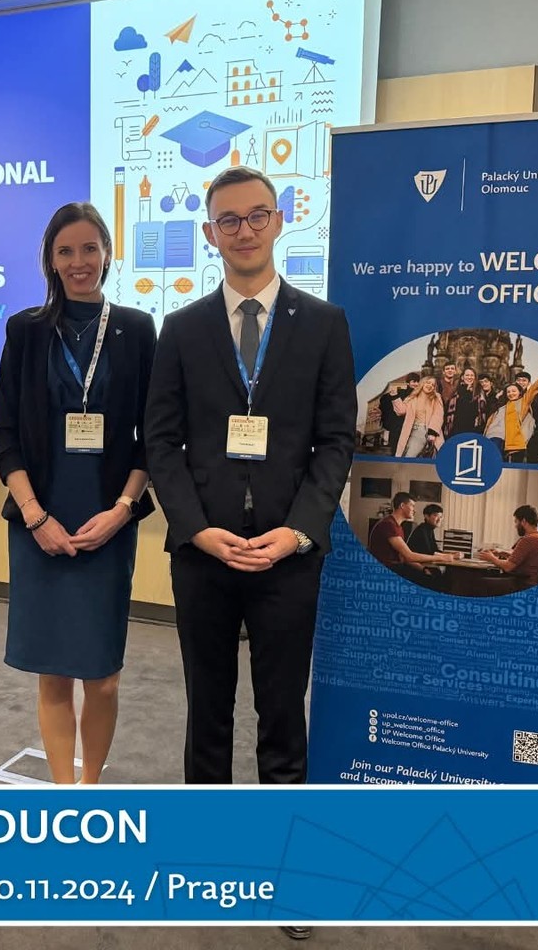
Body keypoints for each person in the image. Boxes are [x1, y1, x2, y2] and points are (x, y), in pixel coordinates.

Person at [145, 166, 356, 789]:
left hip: (286, 553)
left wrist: (299, 532)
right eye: (229, 220)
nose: (245, 230)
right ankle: (210, 832)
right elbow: (161, 441)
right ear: (210, 233)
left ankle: (278, 831)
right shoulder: (182, 328)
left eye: (257, 215)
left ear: (279, 221)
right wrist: (193, 528)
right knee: (206, 713)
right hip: (204, 552)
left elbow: (336, 440)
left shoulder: (323, 323)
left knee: (283, 714)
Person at [0, 202, 157, 785]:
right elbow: (4, 433)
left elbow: (153, 436)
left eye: (89, 248)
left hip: (107, 521)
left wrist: (123, 511)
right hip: (41, 520)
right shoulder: (27, 330)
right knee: (53, 672)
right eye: (65, 251)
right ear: (50, 260)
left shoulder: (137, 329)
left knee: (102, 676)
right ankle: (66, 794)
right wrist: (36, 517)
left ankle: (91, 787)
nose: (78, 261)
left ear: (107, 253)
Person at [484, 355, 538, 462]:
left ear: (529, 382)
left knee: (533, 457)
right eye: (519, 380)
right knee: (516, 457)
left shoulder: (536, 394)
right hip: (517, 431)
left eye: (524, 380)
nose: (521, 382)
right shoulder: (509, 396)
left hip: (535, 430)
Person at [368, 493, 456, 577]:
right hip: (384, 572)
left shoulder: (397, 526)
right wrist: (442, 558)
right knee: (437, 580)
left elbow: (403, 557)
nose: (414, 510)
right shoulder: (388, 525)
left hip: (395, 568)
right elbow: (409, 556)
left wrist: (423, 569)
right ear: (402, 506)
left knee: (435, 576)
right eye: (412, 506)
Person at [477, 505, 538, 589]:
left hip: (523, 584)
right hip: (530, 583)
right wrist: (502, 553)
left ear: (523, 521)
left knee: (479, 581)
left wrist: (491, 558)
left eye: (516, 522)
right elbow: (526, 559)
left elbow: (508, 567)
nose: (515, 526)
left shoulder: (528, 540)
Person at [392, 375, 445, 458]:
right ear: (422, 383)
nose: (430, 386)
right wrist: (395, 397)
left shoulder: (436, 397)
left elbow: (438, 415)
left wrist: (432, 433)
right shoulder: (412, 397)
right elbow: (401, 411)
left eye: (433, 385)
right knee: (403, 455)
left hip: (423, 431)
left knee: (409, 456)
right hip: (409, 430)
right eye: (428, 382)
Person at [379, 372, 420, 455]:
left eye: (417, 381)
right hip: (397, 427)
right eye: (413, 381)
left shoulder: (419, 395)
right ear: (408, 383)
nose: (416, 384)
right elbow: (384, 400)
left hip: (410, 426)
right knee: (396, 450)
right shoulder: (400, 392)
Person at [443, 366, 487, 438]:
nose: (469, 377)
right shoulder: (456, 393)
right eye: (467, 375)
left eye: (472, 375)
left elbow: (482, 413)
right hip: (456, 430)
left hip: (473, 431)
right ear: (462, 377)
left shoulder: (479, 393)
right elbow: (448, 412)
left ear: (475, 378)